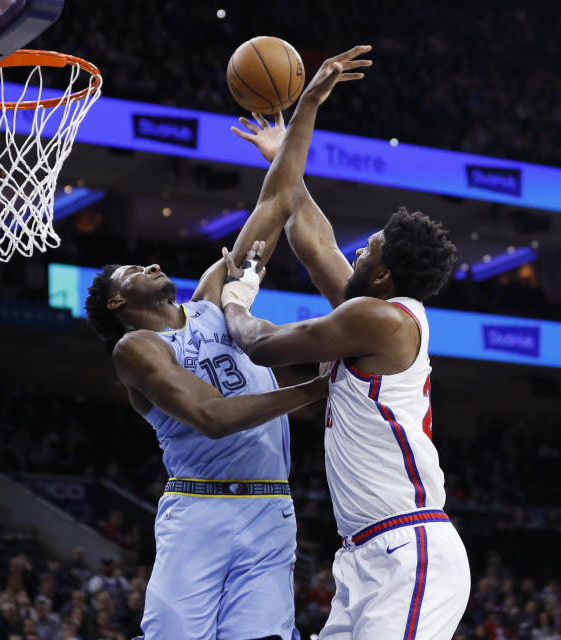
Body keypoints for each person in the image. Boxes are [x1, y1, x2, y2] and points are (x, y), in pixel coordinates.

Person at [83, 45, 372, 640]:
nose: (153, 264)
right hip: (199, 510)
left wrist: (305, 112)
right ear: (119, 302)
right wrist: (317, 389)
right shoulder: (135, 350)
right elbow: (212, 416)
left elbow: (276, 201)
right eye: (134, 270)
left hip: (271, 509)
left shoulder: (213, 295)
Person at [220, 48, 469, 639]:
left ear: (383, 277)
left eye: (371, 250)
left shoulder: (383, 321)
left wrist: (235, 296)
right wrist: (287, 154)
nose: (358, 252)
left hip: (410, 554)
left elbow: (263, 344)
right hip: (364, 555)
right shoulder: (374, 313)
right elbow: (316, 246)